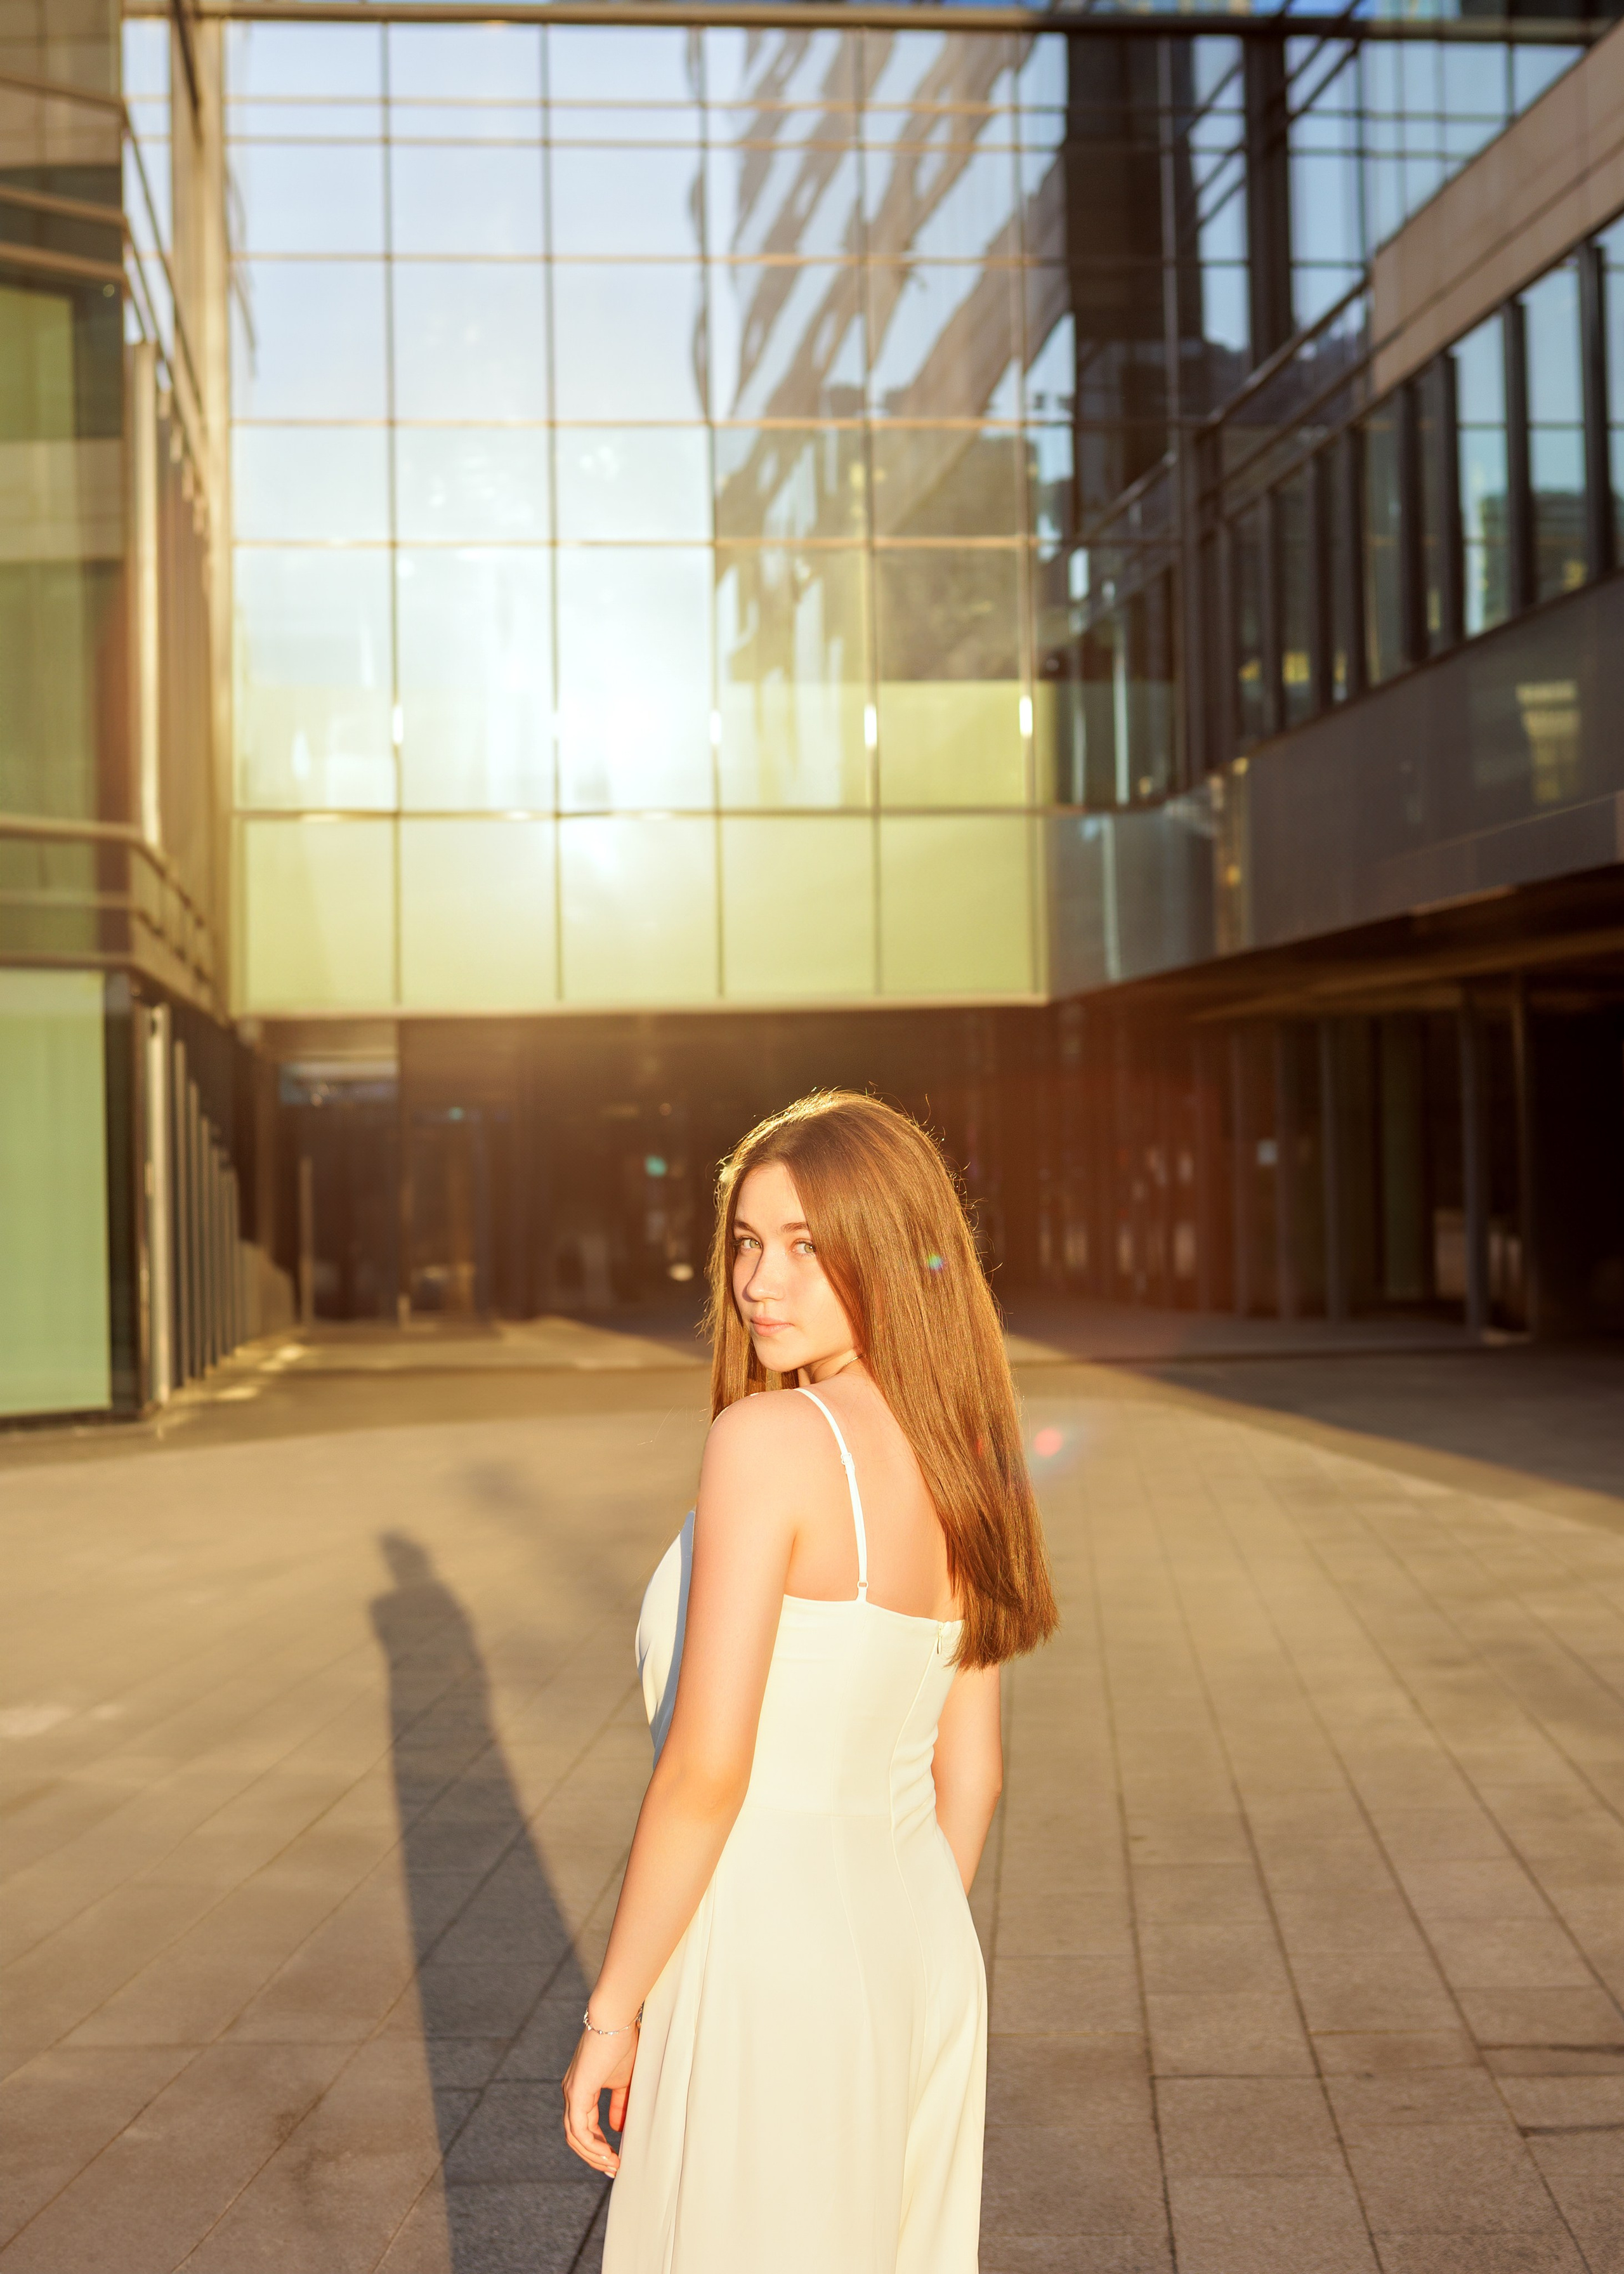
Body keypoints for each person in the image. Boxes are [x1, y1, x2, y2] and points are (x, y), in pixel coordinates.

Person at [561, 1089, 1059, 2272]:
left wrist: (613, 2010)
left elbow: (707, 1770)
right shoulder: (967, 1454)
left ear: (887, 1252)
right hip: (920, 1942)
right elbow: (974, 1775)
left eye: (804, 1245)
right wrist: (890, 1938)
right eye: (746, 1242)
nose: (758, 1282)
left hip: (768, 1951)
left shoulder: (768, 1441)